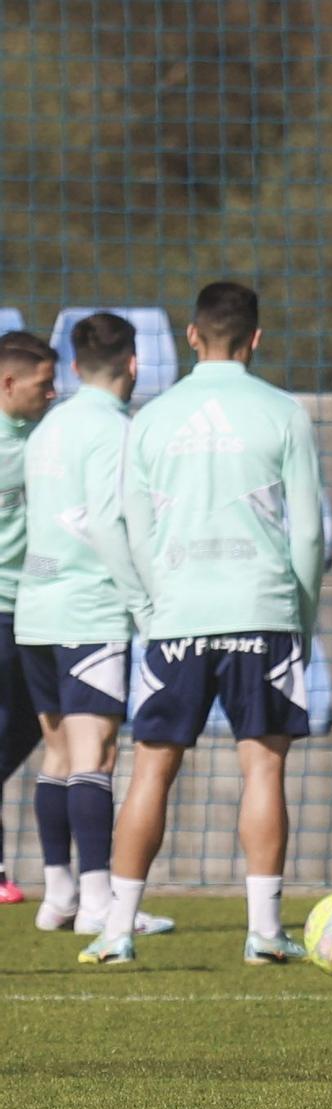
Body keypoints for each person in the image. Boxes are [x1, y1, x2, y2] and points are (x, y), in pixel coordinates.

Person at [78, 281, 325, 965]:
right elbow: (309, 534)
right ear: (257, 338)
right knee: (264, 770)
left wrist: (148, 606)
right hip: (262, 611)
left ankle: (117, 930)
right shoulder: (285, 413)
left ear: (192, 336)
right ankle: (266, 933)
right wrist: (299, 617)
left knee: (151, 769)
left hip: (177, 615)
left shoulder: (151, 419)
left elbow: (123, 523)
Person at [19, 313, 174, 938]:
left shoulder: (48, 427)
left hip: (36, 608)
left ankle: (58, 895)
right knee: (97, 754)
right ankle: (99, 902)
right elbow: (110, 525)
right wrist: (143, 603)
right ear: (133, 365)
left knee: (56, 754)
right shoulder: (118, 432)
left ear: (75, 368)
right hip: (90, 609)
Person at [0, 331, 61, 905]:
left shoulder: (46, 439)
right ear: (8, 383)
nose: (54, 393)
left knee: (38, 731)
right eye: (44, 384)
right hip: (3, 610)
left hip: (37, 609)